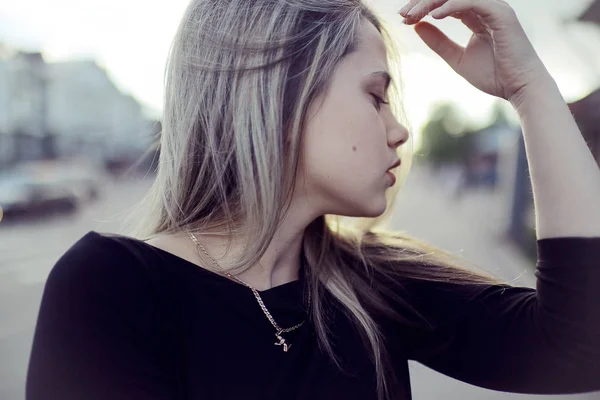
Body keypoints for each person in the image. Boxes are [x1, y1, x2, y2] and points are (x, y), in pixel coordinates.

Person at [26, 1, 600, 399]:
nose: (399, 131)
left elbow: (581, 346)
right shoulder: (112, 287)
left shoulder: (369, 284)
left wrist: (529, 88)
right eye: (376, 96)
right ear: (281, 89)